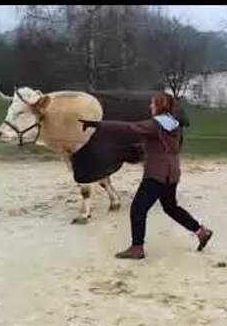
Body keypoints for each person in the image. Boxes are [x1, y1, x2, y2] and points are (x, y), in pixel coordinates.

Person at [79, 92, 213, 260]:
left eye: (152, 104)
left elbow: (128, 128)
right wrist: (144, 147)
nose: (150, 106)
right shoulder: (173, 122)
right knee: (171, 207)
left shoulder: (156, 124)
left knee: (137, 209)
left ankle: (137, 248)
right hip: (172, 172)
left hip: (157, 174)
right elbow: (164, 143)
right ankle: (201, 232)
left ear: (160, 106)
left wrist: (97, 124)